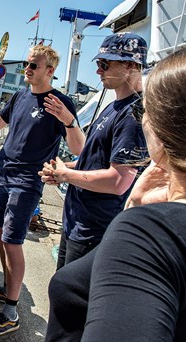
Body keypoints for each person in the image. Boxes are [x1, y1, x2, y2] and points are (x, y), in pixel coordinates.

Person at [46, 43, 186, 341]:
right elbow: (89, 154)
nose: (99, 70)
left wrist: (135, 221)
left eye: (147, 108)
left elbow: (117, 180)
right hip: (80, 217)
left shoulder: (153, 235)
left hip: (92, 223)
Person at [0, 44, 85, 336]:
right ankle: (7, 288)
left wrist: (68, 120)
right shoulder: (20, 95)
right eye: (27, 65)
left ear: (50, 70)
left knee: (12, 240)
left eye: (33, 65)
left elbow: (78, 148)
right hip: (2, 174)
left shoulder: (61, 102)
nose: (27, 69)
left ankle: (11, 312)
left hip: (27, 181)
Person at [40, 32, 149, 269]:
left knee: (73, 302)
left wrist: (65, 175)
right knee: (61, 292)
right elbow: (96, 162)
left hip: (94, 230)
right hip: (77, 222)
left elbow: (119, 181)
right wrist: (63, 167)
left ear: (131, 65)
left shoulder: (133, 116)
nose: (98, 70)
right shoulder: (114, 107)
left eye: (104, 64)